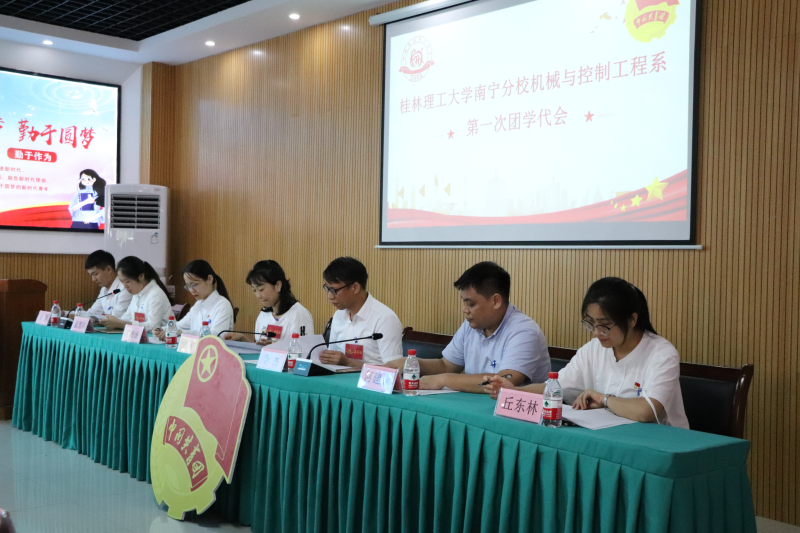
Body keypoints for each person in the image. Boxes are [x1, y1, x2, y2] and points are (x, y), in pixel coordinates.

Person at [484, 277, 690, 428]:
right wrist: (512, 391)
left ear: (632, 320)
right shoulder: (593, 349)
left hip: (660, 443)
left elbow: (647, 411)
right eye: (590, 323)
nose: (597, 332)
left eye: (605, 325)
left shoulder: (661, 353)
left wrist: (603, 399)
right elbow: (554, 388)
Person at [385, 261, 549, 393]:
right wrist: (412, 363)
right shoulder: (471, 325)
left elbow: (502, 381)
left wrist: (443, 379)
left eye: (471, 304)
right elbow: (446, 365)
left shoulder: (524, 331)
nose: (465, 310)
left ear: (495, 301)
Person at [318, 257, 403, 368]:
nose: (330, 296)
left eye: (334, 290)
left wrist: (349, 363)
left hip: (372, 379)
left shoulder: (385, 319)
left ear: (355, 288)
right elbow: (332, 358)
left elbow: (394, 370)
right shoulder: (338, 315)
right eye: (328, 289)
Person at [222, 260, 314, 344]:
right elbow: (260, 349)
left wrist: (274, 348)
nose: (258, 295)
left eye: (261, 289)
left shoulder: (298, 314)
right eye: (254, 290)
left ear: (278, 285)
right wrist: (243, 339)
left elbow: (303, 351)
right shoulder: (264, 314)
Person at [154, 260, 234, 340]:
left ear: (210, 279)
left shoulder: (223, 305)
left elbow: (216, 336)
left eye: (195, 284)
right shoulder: (198, 304)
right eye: (188, 286)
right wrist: (161, 329)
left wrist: (181, 332)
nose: (192, 290)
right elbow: (179, 325)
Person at [99, 256, 172, 333]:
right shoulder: (137, 293)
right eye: (122, 282)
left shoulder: (156, 294)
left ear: (141, 277)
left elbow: (153, 326)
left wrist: (120, 324)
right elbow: (127, 317)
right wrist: (111, 321)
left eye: (127, 281)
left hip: (161, 338)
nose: (125, 286)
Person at [76, 250, 131, 319]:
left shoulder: (125, 288)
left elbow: (116, 318)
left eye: (95, 274)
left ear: (109, 269)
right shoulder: (104, 289)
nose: (93, 279)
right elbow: (92, 313)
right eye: (91, 275)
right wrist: (67, 314)